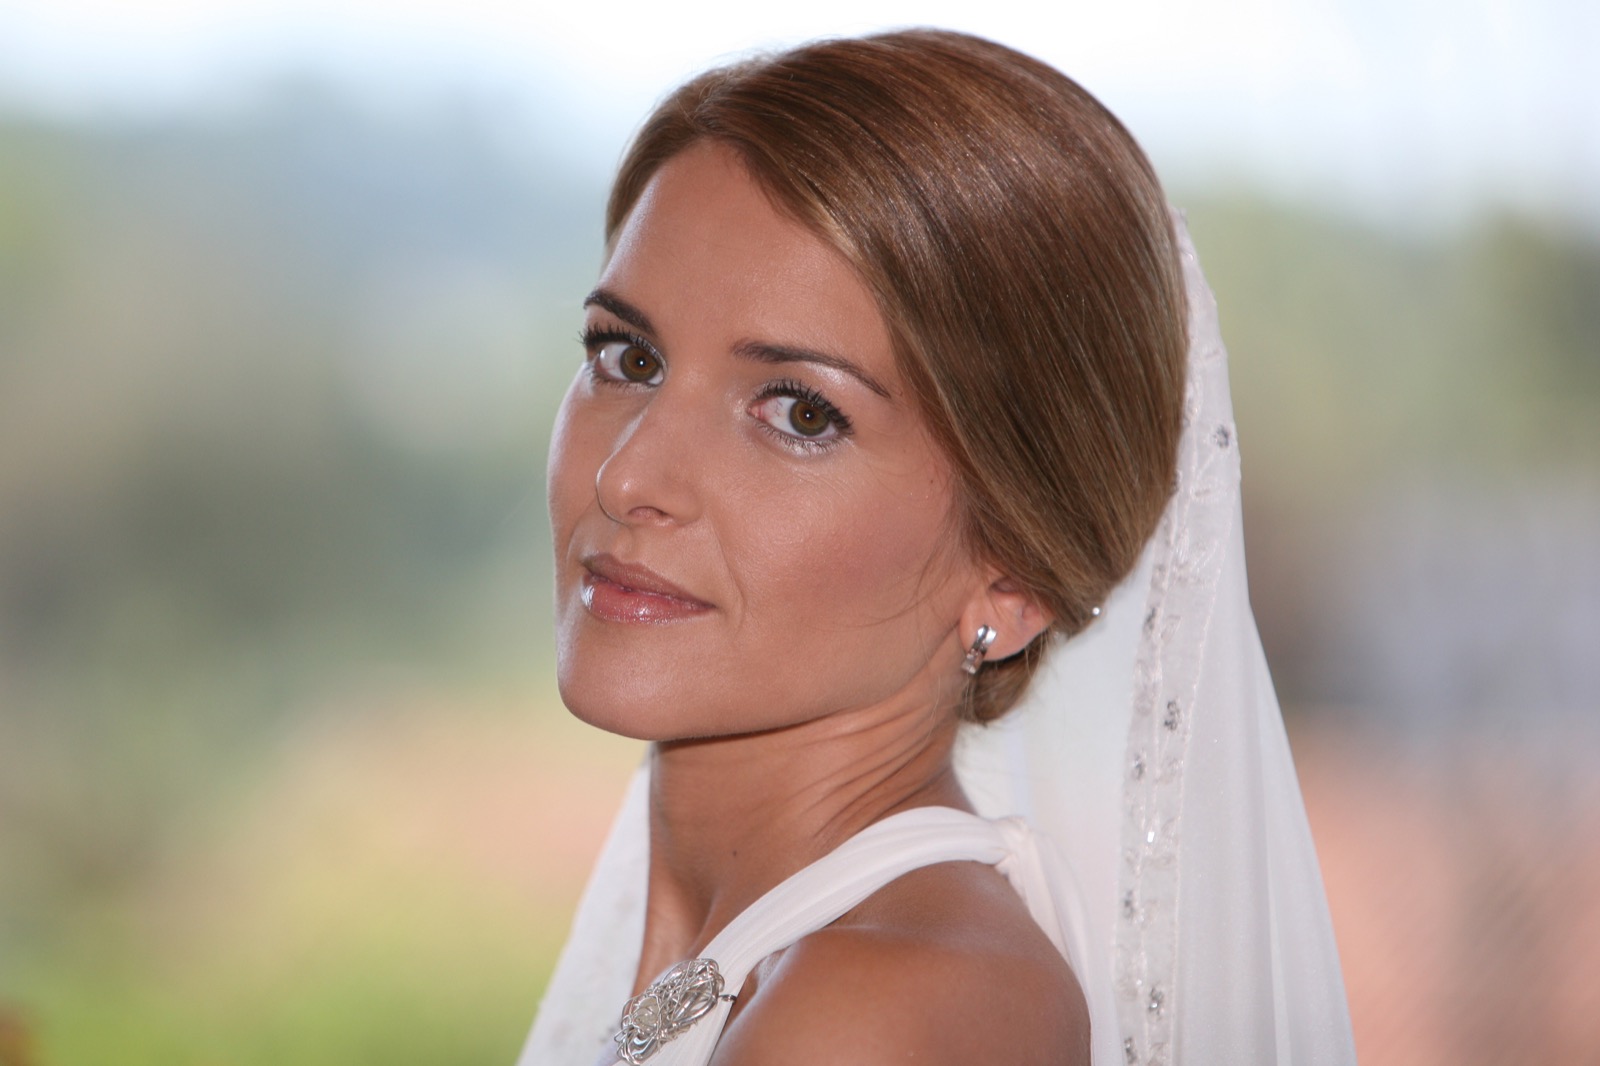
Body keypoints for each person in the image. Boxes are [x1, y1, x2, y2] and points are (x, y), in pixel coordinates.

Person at [520, 28, 1355, 1066]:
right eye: (628, 357)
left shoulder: (880, 1012)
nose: (627, 477)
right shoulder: (768, 965)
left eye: (800, 412)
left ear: (1012, 576)